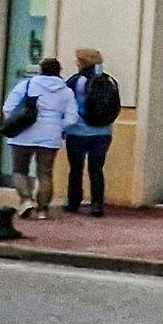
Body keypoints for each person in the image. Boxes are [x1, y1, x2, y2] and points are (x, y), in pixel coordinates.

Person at [1, 56, 80, 219]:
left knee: (19, 170)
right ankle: (43, 209)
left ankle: (26, 199)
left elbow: (8, 108)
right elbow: (72, 118)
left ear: (41, 70)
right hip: (50, 136)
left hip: (23, 135)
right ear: (59, 72)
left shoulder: (27, 85)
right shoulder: (66, 91)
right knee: (45, 173)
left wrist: (18, 122)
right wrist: (58, 126)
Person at [63, 47, 121, 215]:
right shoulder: (110, 80)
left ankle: (74, 202)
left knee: (76, 168)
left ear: (83, 62)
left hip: (78, 131)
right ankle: (97, 204)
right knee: (96, 168)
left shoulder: (77, 81)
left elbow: (66, 102)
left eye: (78, 60)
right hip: (103, 132)